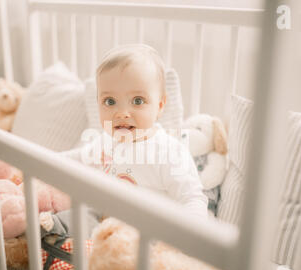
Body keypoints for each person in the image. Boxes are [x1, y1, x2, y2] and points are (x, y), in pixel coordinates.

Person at [61, 44, 209, 222]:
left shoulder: (169, 151)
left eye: (138, 101)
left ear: (160, 106)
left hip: (152, 238)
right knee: (66, 222)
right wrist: (35, 164)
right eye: (109, 101)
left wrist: (190, 239)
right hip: (106, 231)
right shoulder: (105, 142)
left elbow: (192, 198)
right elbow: (75, 159)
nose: (122, 113)